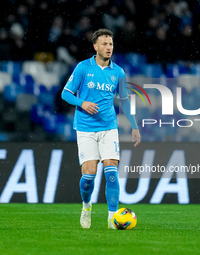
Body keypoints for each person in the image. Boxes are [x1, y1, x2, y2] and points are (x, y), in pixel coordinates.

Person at [61, 28, 141, 229]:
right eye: (104, 44)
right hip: (86, 128)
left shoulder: (118, 72)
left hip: (108, 127)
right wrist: (82, 103)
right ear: (95, 46)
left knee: (112, 172)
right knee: (88, 176)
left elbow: (123, 99)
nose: (108, 48)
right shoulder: (82, 67)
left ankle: (112, 218)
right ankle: (86, 206)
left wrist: (134, 125)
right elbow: (66, 94)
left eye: (111, 44)